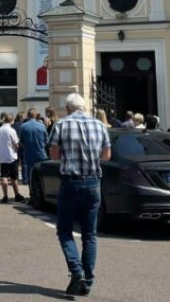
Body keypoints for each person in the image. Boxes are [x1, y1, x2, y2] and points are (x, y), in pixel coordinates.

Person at [48, 93, 111, 297]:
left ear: (68, 108)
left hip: (71, 182)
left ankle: (77, 272)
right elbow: (107, 155)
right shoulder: (100, 125)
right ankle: (88, 280)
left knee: (64, 230)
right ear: (84, 107)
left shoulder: (61, 125)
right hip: (93, 182)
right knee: (89, 234)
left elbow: (55, 155)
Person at [0, 112, 25, 204]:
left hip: (2, 156)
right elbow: (16, 143)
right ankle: (16, 195)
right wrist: (16, 150)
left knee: (3, 176)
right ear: (11, 120)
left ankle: (5, 196)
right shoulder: (12, 130)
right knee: (14, 177)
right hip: (11, 156)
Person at [19, 107, 49, 186]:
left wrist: (26, 146)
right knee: (42, 174)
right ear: (36, 115)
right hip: (41, 153)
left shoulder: (23, 126)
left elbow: (21, 141)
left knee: (30, 174)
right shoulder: (42, 126)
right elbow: (46, 140)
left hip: (29, 153)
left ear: (28, 116)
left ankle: (32, 193)